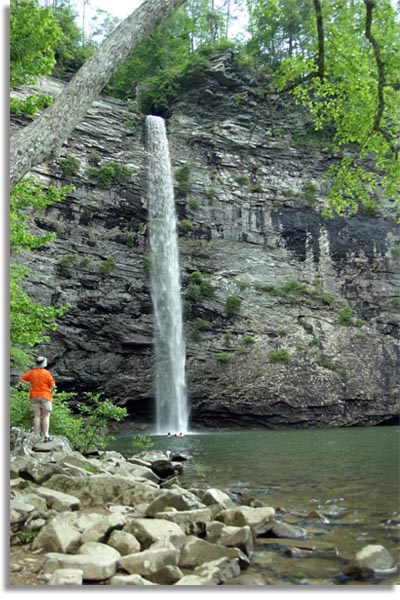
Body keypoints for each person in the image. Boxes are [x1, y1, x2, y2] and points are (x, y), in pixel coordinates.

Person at [20, 356, 56, 442]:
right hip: (45, 396)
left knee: (36, 416)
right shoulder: (46, 373)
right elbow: (52, 385)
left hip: (34, 395)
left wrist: (29, 384)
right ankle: (46, 436)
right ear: (44, 364)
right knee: (46, 416)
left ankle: (36, 435)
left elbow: (21, 378)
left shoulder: (32, 372)